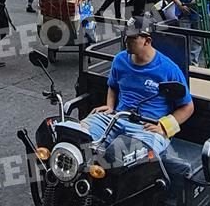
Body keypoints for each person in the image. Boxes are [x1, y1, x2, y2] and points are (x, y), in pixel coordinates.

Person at [76, 20, 194, 159]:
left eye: (132, 37)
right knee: (79, 135)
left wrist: (164, 127)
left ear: (147, 41)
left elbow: (188, 107)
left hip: (147, 128)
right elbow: (113, 86)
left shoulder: (169, 69)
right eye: (126, 36)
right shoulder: (120, 60)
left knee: (123, 159)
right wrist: (110, 106)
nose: (127, 40)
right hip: (117, 118)